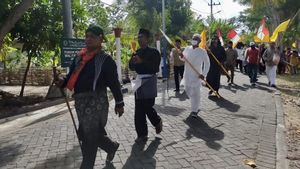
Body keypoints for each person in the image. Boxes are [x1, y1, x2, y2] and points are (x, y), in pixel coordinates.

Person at [55, 25, 124, 168]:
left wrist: (120, 102)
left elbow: (114, 83)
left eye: (92, 36)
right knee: (87, 133)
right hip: (80, 103)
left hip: (97, 103)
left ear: (100, 38)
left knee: (89, 139)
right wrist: (62, 81)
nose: (88, 39)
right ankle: (111, 147)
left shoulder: (104, 59)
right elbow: (71, 76)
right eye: (86, 36)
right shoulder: (79, 58)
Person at [129, 28, 163, 144]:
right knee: (139, 109)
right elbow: (131, 67)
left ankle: (157, 121)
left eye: (142, 37)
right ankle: (142, 134)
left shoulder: (154, 52)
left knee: (148, 107)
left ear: (147, 39)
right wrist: (133, 62)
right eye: (138, 37)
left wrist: (142, 62)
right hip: (139, 81)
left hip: (149, 81)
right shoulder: (136, 52)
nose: (139, 40)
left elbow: (155, 68)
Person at [179, 34, 210, 117]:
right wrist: (181, 56)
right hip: (187, 74)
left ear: (199, 41)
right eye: (193, 38)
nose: (194, 40)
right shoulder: (187, 49)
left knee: (196, 93)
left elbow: (207, 63)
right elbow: (183, 58)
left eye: (196, 39)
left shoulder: (202, 51)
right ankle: (195, 105)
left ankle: (194, 110)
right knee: (188, 90)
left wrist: (204, 74)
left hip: (197, 75)